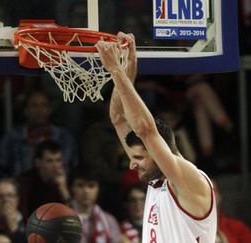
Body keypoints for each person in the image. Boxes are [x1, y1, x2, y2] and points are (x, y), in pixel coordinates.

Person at [95, 32, 217, 242]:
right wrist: (127, 68)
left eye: (139, 158)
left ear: (159, 150)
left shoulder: (189, 180)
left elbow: (146, 130)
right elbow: (118, 118)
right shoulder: (156, 177)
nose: (132, 165)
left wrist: (114, 70)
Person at [0, 89, 77, 177]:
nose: (40, 110)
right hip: (20, 188)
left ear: (49, 110)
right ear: (26, 111)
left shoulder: (65, 137)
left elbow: (74, 170)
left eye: (44, 105)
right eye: (34, 106)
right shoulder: (12, 138)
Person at [17, 140, 71, 217]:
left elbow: (73, 216)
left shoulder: (64, 181)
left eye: (58, 160)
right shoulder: (25, 182)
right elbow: (22, 214)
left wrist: (63, 190)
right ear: (38, 162)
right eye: (50, 161)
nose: (56, 166)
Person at [68, 168, 122, 243]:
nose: (86, 191)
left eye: (91, 186)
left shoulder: (109, 220)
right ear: (72, 188)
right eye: (80, 185)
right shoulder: (61, 219)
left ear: (99, 189)